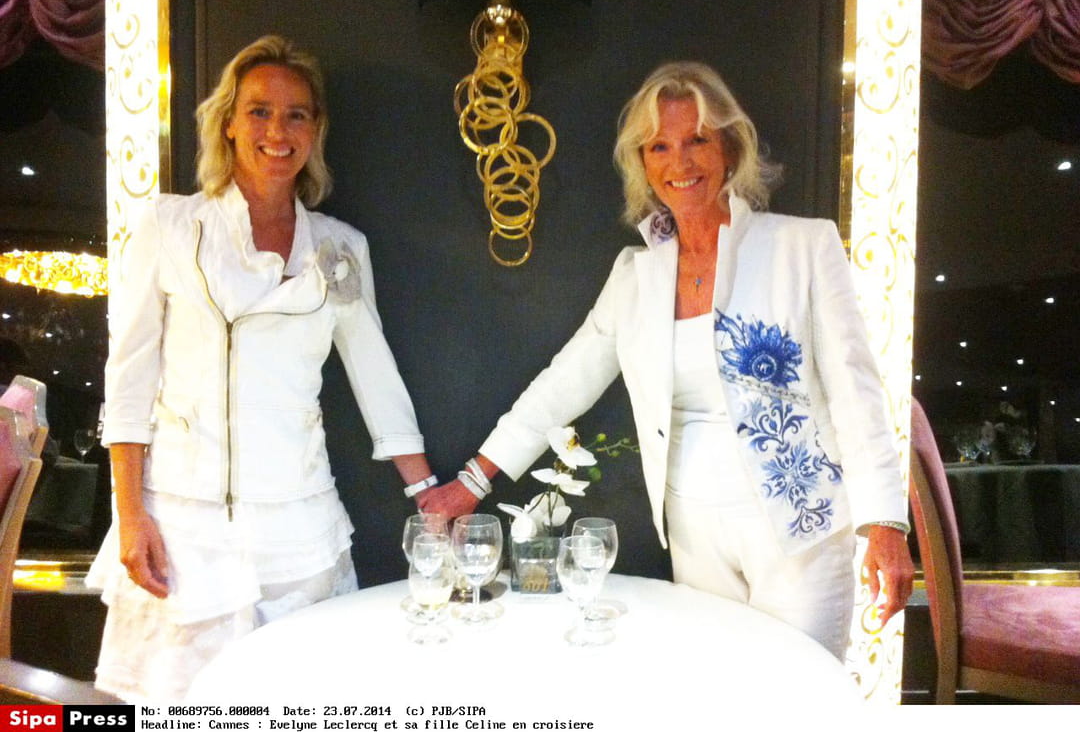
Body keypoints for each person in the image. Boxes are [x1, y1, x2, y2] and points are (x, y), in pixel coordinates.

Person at [426, 61, 914, 658]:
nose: (679, 162)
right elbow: (563, 385)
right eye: (659, 146)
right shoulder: (635, 275)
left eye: (697, 140)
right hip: (693, 533)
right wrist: (473, 481)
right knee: (713, 696)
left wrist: (885, 523)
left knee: (799, 694)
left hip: (801, 533)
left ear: (729, 149)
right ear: (643, 162)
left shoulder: (802, 246)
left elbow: (856, 392)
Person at [86, 35, 467, 702]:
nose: (277, 131)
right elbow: (129, 381)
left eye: (296, 115)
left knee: (296, 707)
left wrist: (429, 494)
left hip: (299, 530)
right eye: (259, 111)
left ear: (315, 130)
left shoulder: (340, 249)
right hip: (183, 530)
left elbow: (376, 380)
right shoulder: (169, 228)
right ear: (229, 122)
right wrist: (130, 513)